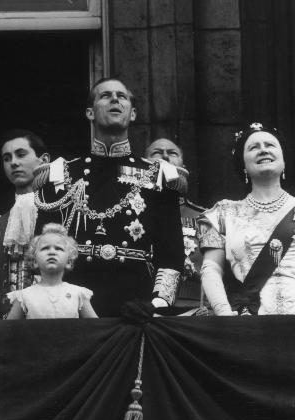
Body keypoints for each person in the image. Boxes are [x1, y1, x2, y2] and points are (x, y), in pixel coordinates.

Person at [33, 78, 185, 317]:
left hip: (137, 306)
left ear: (132, 114)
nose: (115, 99)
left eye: (121, 96)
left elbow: (171, 255)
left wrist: (158, 304)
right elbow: (43, 248)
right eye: (105, 95)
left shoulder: (158, 176)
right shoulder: (61, 174)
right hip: (71, 304)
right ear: (90, 112)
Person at [198, 123, 295, 315]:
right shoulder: (223, 214)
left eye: (270, 145)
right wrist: (224, 315)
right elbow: (211, 269)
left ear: (284, 161)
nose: (263, 149)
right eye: (253, 147)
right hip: (248, 324)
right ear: (243, 165)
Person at [0, 129, 50, 315]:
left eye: (21, 154)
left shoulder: (62, 214)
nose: (14, 163)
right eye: (7, 158)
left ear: (43, 160)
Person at [144, 137, 205, 312]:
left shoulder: (205, 218)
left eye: (172, 153)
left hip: (190, 308)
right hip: (141, 306)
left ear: (184, 167)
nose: (164, 156)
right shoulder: (129, 214)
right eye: (157, 153)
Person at [6, 223, 97, 319]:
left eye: (58, 248)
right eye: (45, 248)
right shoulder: (23, 296)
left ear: (69, 262)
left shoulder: (78, 293)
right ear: (35, 261)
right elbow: (8, 329)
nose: (52, 252)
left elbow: (97, 327)